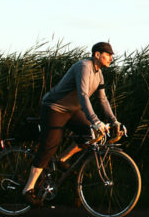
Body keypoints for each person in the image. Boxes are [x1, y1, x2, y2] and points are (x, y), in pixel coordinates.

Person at [21, 41, 125, 206]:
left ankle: (62, 159)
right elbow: (83, 95)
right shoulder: (84, 67)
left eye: (112, 55)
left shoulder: (99, 74)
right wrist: (96, 121)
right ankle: (28, 188)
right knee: (50, 144)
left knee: (90, 135)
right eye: (108, 54)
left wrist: (114, 121)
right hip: (54, 107)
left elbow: (103, 100)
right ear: (97, 55)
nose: (111, 58)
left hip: (72, 110)